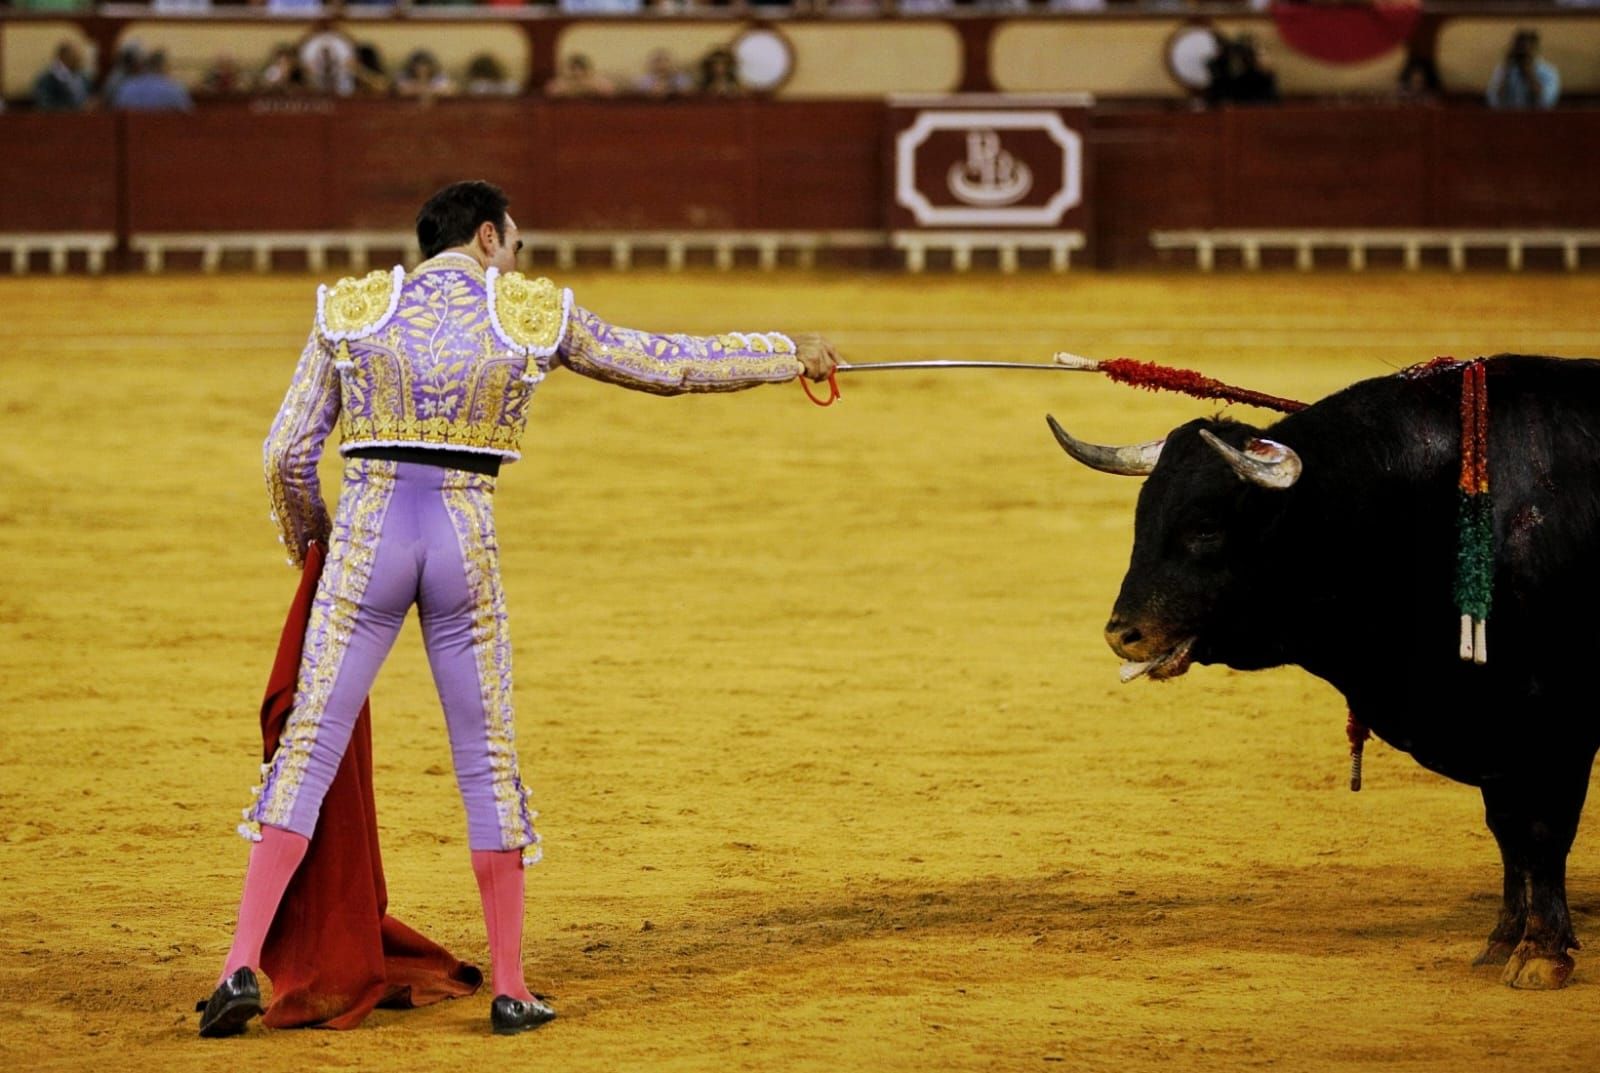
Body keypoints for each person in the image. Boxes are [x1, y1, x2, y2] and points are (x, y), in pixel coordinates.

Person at [197, 180, 841, 1039]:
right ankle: (508, 983)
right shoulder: (530, 312)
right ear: (491, 237)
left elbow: (285, 453)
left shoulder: (351, 307)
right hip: (462, 531)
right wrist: (785, 353)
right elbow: (666, 364)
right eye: (518, 245)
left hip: (369, 533)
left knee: (309, 750)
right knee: (485, 757)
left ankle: (239, 964)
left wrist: (318, 550)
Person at [1487, 29, 1560, 110]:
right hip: (1509, 117)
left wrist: (1529, 73)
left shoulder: (1548, 71)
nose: (1523, 53)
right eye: (1520, 48)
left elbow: (1547, 102)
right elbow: (1493, 102)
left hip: (1537, 118)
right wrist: (1506, 72)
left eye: (1527, 49)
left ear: (1535, 49)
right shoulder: (1503, 69)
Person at [110, 50, 193, 112]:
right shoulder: (175, 88)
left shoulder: (127, 87)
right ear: (164, 67)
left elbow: (117, 110)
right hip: (167, 132)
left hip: (133, 131)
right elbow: (187, 114)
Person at [31, 42, 92, 111]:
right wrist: (73, 109)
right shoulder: (47, 79)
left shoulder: (82, 77)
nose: (79, 59)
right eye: (75, 55)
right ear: (63, 56)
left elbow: (89, 97)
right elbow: (45, 104)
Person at [543, 52, 616, 98]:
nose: (577, 73)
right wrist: (572, 87)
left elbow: (610, 91)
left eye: (581, 69)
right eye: (574, 69)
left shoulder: (596, 80)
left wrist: (589, 86)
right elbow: (550, 92)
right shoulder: (562, 82)